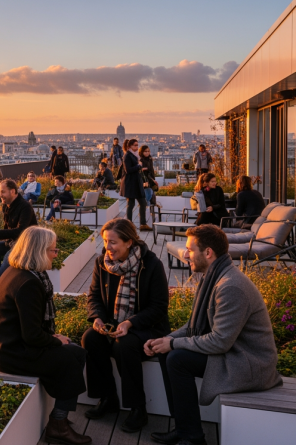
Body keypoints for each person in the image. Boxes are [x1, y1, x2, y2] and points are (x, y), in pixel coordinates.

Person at [144, 225, 281, 445]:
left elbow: (220, 341)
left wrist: (174, 344)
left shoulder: (230, 286)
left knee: (178, 359)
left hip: (249, 362)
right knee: (167, 352)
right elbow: (194, 325)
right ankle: (183, 427)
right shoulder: (214, 275)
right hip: (233, 352)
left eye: (190, 249)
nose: (185, 254)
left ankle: (192, 438)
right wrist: (167, 340)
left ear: (208, 253)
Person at [0, 226, 91, 445]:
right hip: (10, 352)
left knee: (77, 353)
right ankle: (58, 426)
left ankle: (60, 416)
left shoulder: (19, 272)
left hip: (5, 346)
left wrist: (54, 338)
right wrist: (54, 340)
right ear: (38, 252)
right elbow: (32, 336)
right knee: (71, 360)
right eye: (52, 250)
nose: (56, 254)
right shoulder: (29, 283)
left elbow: (31, 329)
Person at [81, 219, 169, 432]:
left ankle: (138, 408)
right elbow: (93, 296)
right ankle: (107, 398)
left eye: (113, 242)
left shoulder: (151, 264)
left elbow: (159, 307)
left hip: (146, 327)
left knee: (124, 344)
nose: (107, 247)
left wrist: (131, 322)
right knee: (90, 338)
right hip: (113, 324)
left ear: (129, 242)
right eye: (105, 241)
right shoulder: (101, 262)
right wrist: (97, 318)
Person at [0, 179, 38, 303]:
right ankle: (2, 285)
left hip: (28, 243)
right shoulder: (6, 206)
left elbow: (21, 231)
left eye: (3, 192)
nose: (0, 195)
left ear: (13, 191)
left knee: (10, 254)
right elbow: (8, 231)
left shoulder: (25, 207)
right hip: (13, 242)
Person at [121, 139, 152, 231]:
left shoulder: (134, 155)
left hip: (136, 183)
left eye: (137, 145)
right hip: (130, 184)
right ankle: (129, 225)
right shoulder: (127, 156)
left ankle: (143, 224)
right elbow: (128, 170)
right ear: (129, 146)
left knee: (142, 202)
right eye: (135, 145)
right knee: (131, 204)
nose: (136, 147)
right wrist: (139, 166)